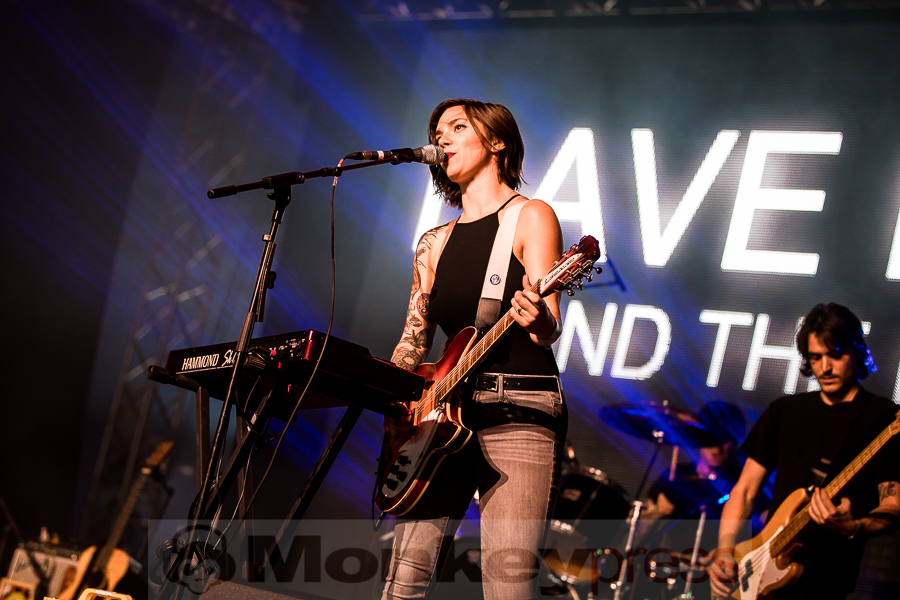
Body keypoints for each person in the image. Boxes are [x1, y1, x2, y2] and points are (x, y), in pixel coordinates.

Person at [380, 98, 567, 600]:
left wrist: (540, 318)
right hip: (440, 418)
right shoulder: (432, 243)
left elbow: (549, 327)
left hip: (518, 408)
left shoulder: (531, 216)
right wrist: (395, 401)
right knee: (403, 585)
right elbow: (413, 337)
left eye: (457, 127)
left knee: (506, 589)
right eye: (437, 131)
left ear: (496, 141)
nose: (442, 138)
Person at [709, 303, 900, 600]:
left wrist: (855, 525)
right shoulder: (784, 412)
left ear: (857, 351)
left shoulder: (883, 418)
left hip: (828, 579)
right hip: (760, 569)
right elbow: (744, 491)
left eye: (835, 355)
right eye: (815, 357)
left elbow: (893, 504)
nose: (825, 367)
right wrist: (724, 550)